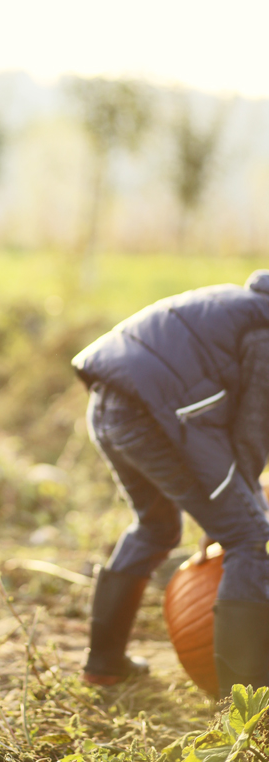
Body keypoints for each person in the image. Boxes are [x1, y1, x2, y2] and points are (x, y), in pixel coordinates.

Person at [71, 271, 269, 698]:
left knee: (156, 526)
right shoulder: (264, 330)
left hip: (111, 406)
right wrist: (238, 513)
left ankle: (104, 664)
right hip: (153, 417)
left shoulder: (240, 306)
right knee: (248, 535)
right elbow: (252, 434)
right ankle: (246, 707)